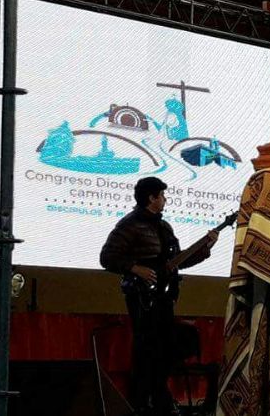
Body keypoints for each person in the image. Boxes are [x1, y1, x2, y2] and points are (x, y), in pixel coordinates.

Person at [100, 177, 217, 416]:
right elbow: (107, 257)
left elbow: (176, 263)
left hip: (164, 298)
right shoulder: (129, 225)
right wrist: (135, 268)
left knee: (166, 348)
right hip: (142, 298)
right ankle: (143, 402)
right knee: (146, 349)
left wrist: (206, 248)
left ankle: (158, 397)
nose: (165, 200)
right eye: (162, 195)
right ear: (151, 198)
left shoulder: (164, 227)